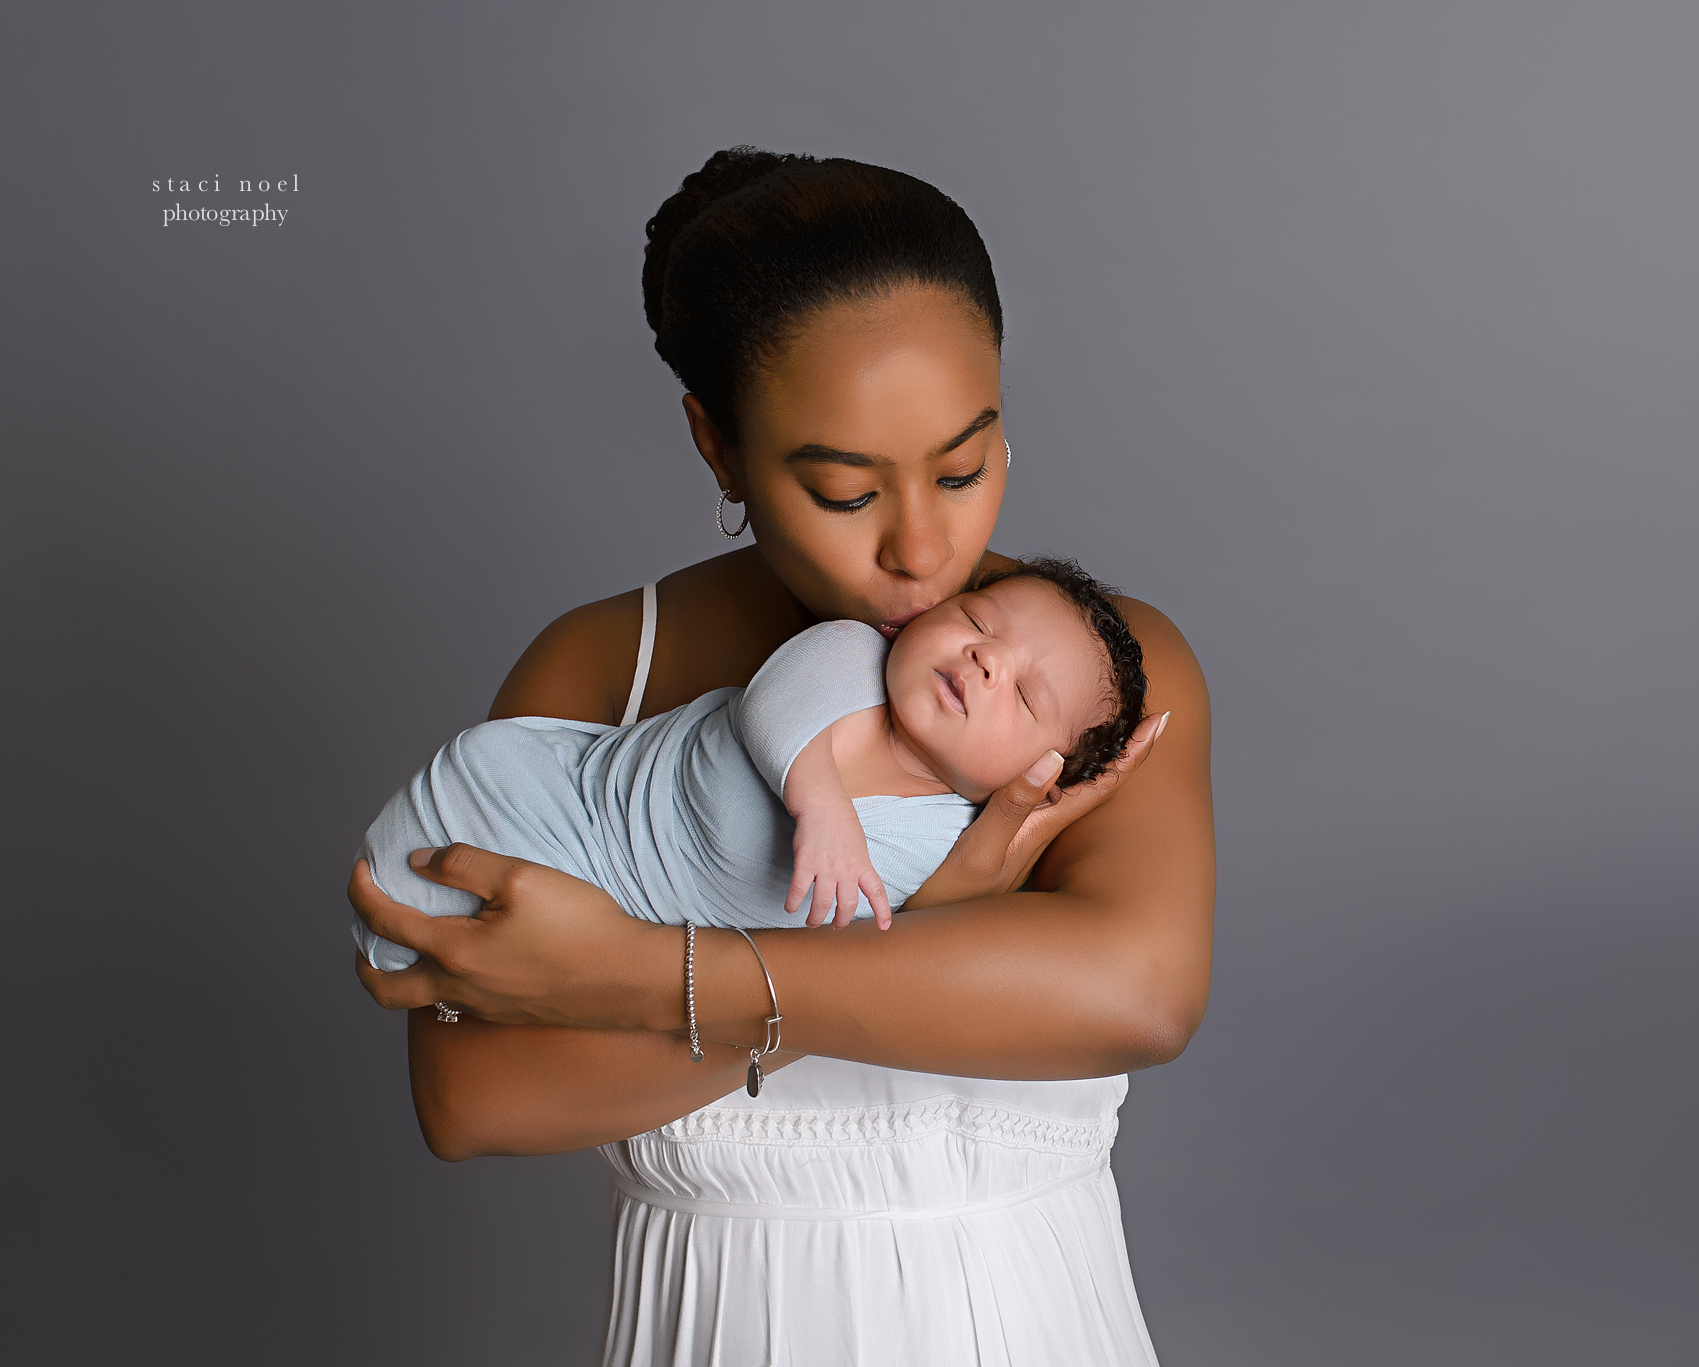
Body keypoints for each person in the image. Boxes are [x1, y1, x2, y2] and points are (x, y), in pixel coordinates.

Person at [350, 148, 1214, 1366]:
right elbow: (471, 1099)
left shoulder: (1086, 683)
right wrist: (940, 919)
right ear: (718, 446)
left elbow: (1137, 991)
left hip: (1023, 1318)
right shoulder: (604, 666)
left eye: (964, 467)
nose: (925, 550)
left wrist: (637, 973)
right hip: (713, 1322)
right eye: (846, 491)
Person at [354, 562, 1147, 968]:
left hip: (616, 926)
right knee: (410, 901)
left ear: (1041, 768)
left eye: (1025, 692)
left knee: (474, 965)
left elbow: (870, 956)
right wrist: (823, 804)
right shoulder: (849, 657)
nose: (984, 659)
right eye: (979, 620)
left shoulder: (944, 838)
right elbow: (771, 709)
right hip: (554, 804)